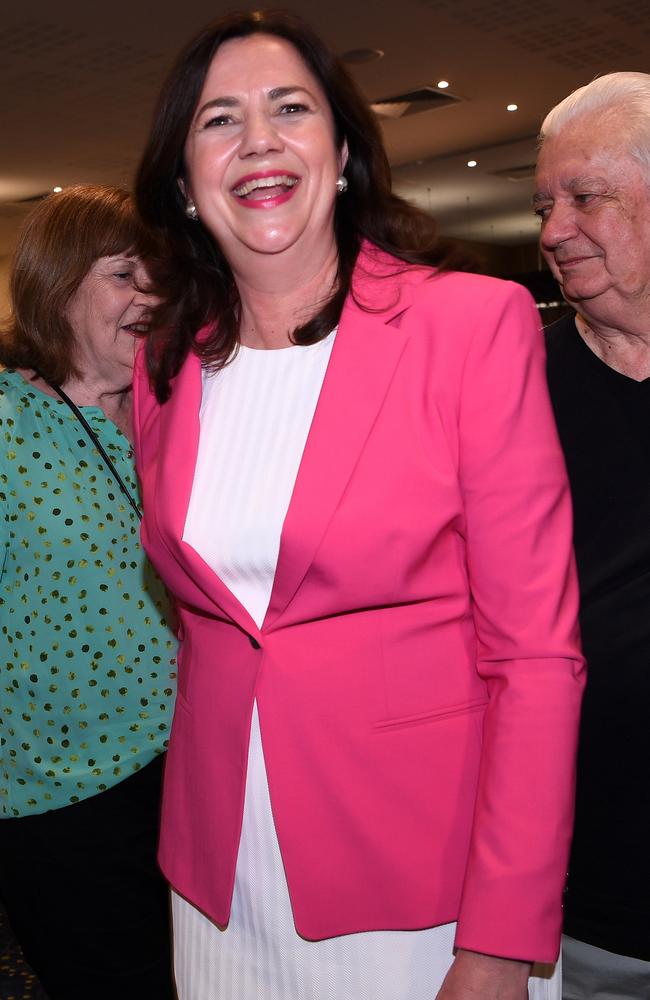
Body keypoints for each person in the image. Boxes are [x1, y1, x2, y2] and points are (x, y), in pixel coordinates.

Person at [134, 11, 584, 999]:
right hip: (220, 875)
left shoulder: (468, 325)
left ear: (339, 154)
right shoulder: (162, 366)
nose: (256, 138)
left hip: (422, 885)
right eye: (218, 119)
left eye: (288, 108)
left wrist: (500, 939)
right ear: (182, 181)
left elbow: (534, 656)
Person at [0, 185, 177, 1000]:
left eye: (157, 278)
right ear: (57, 286)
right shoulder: (7, 425)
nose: (150, 298)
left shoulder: (179, 414)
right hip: (62, 797)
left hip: (198, 771)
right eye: (123, 276)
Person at [535, 72, 650, 999]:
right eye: (544, 205)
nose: (550, 230)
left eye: (586, 197)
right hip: (583, 907)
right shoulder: (509, 386)